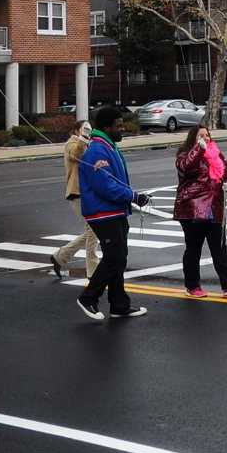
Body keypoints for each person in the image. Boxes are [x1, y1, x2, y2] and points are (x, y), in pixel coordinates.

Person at [76, 106, 150, 322]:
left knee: (119, 258)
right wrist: (132, 196)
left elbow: (112, 182)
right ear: (107, 127)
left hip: (114, 212)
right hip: (102, 213)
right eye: (118, 126)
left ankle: (119, 305)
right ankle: (88, 297)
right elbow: (105, 186)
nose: (123, 128)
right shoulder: (97, 150)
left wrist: (131, 197)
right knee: (114, 257)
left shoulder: (109, 147)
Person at [173, 125, 227, 297]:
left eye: (207, 135)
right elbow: (185, 168)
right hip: (192, 208)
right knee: (193, 249)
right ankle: (192, 285)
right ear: (193, 139)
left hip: (214, 207)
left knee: (219, 247)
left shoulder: (216, 153)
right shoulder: (185, 154)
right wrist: (198, 149)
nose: (206, 138)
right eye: (201, 136)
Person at [50, 115, 100, 282]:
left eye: (89, 130)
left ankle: (60, 256)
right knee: (93, 230)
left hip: (87, 192)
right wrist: (83, 139)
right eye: (85, 129)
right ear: (77, 130)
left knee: (92, 230)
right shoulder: (72, 143)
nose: (88, 132)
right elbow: (74, 154)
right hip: (77, 192)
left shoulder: (87, 144)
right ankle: (92, 270)